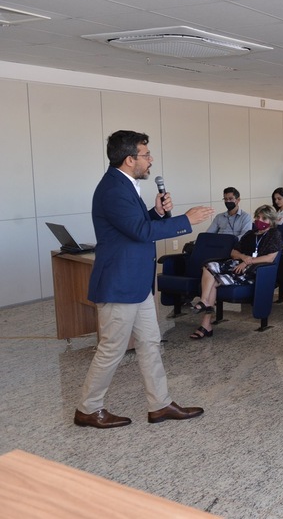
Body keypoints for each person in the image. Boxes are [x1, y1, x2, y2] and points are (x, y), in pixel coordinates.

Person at [74, 130, 214, 429]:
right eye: (146, 154)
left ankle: (160, 405)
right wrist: (186, 220)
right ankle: (88, 408)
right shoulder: (113, 189)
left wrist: (157, 213)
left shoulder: (124, 184)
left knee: (150, 343)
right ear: (129, 159)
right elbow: (140, 232)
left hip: (136, 284)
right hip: (120, 284)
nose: (151, 160)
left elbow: (135, 225)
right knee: (112, 349)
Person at [189, 205, 282, 339]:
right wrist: (243, 257)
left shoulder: (274, 235)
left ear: (271, 221)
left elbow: (269, 258)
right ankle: (204, 302)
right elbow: (233, 252)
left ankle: (206, 325)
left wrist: (248, 262)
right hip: (236, 266)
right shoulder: (250, 234)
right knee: (208, 266)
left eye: (264, 218)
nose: (259, 220)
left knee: (214, 282)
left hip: (252, 271)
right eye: (258, 217)